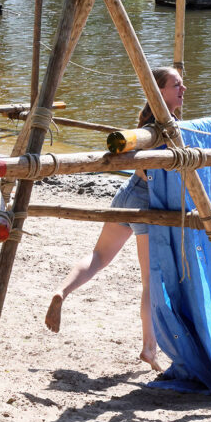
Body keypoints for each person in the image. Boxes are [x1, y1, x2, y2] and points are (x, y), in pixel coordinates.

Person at [45, 67, 185, 371]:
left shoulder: (152, 124)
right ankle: (149, 348)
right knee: (150, 281)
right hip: (149, 202)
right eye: (176, 85)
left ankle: (62, 291)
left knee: (98, 256)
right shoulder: (164, 126)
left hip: (129, 192)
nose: (183, 88)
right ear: (159, 92)